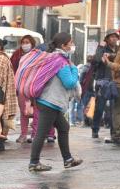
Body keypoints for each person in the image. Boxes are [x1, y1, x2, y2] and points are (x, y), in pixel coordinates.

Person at [29, 33, 83, 172]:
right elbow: (70, 83)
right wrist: (75, 70)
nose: (72, 45)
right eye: (70, 43)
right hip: (50, 102)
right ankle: (34, 163)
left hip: (48, 100)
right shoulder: (60, 61)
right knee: (41, 133)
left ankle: (68, 160)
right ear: (63, 46)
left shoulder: (55, 58)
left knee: (64, 127)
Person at [91, 29, 118, 138]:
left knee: (113, 109)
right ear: (107, 39)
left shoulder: (119, 49)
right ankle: (95, 129)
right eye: (111, 37)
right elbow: (96, 60)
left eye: (115, 37)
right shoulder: (101, 48)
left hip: (114, 82)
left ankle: (113, 131)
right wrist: (101, 48)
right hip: (102, 82)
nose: (114, 39)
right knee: (99, 108)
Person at [11, 36, 36, 143]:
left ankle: (35, 134)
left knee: (36, 111)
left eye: (27, 42)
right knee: (23, 111)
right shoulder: (17, 54)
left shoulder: (37, 55)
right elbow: (12, 68)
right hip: (21, 87)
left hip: (34, 87)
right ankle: (23, 134)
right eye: (23, 42)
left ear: (32, 43)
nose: (25, 44)